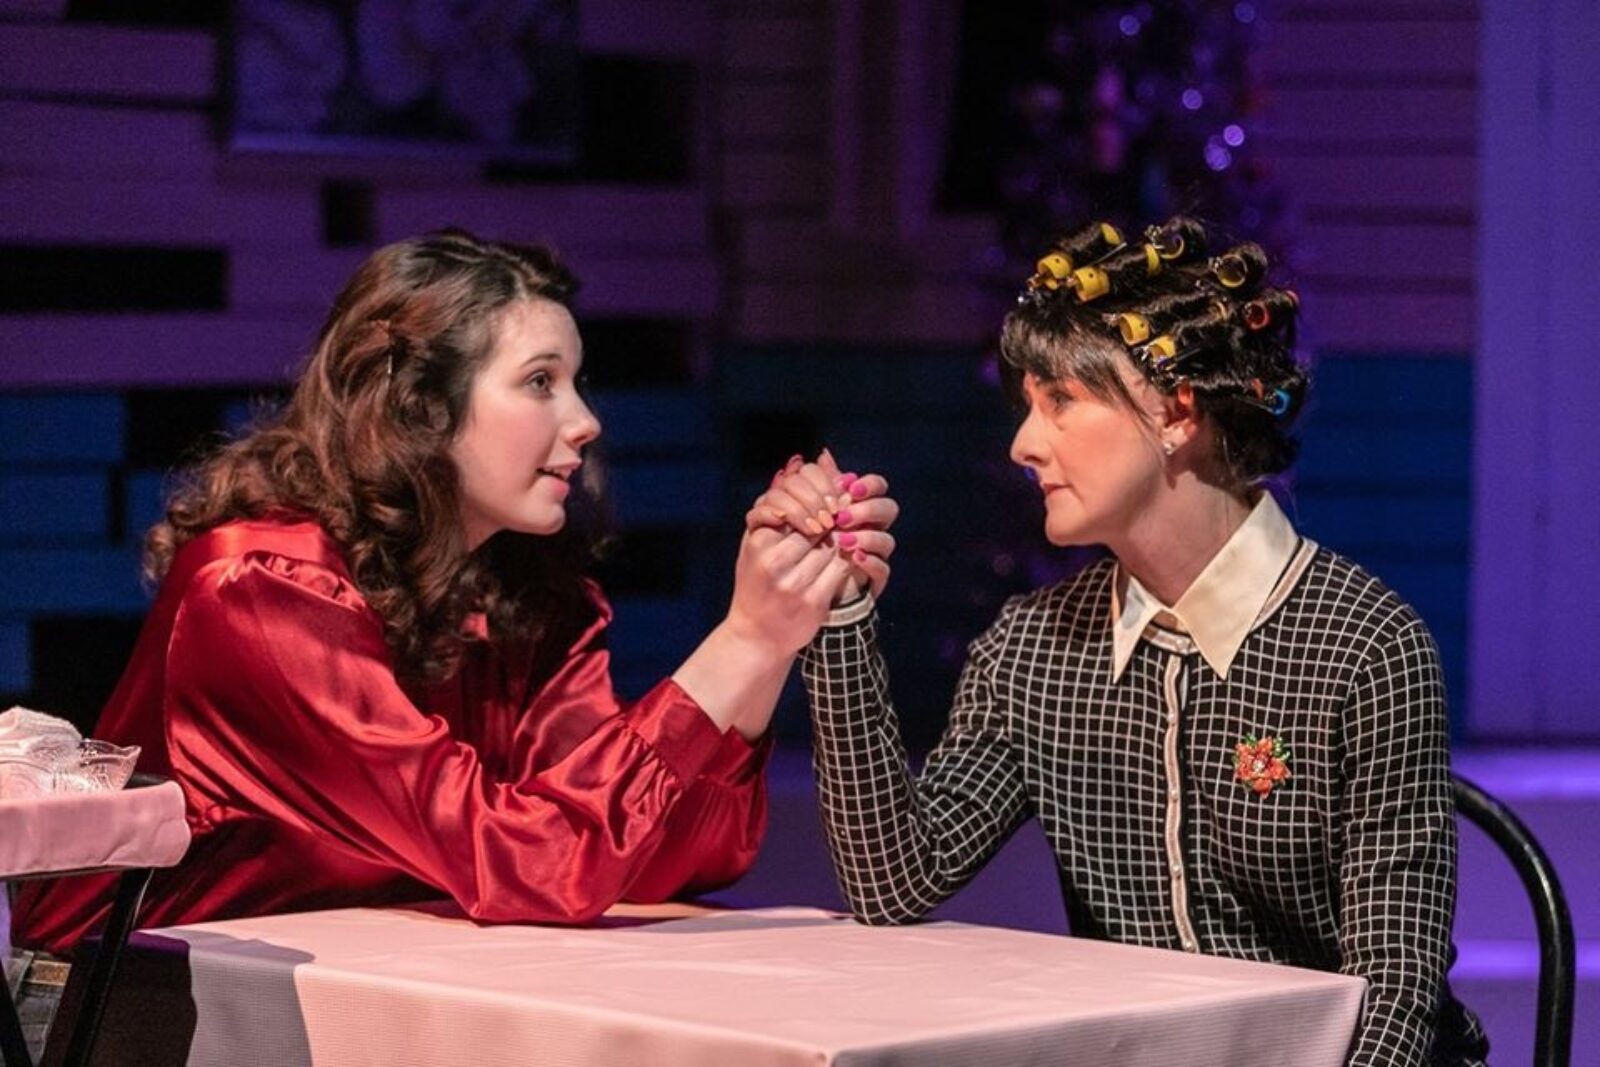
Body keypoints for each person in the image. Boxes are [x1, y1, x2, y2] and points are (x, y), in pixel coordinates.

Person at [11, 230, 867, 971]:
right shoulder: (261, 594)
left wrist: (774, 634)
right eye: (540, 381)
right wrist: (744, 640)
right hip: (132, 1012)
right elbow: (529, 861)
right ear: (422, 407)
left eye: (576, 381)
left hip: (369, 994)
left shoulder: (524, 597)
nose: (585, 418)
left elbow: (665, 857)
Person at [773, 218, 1488, 1067]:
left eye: (1061, 401)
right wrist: (843, 615)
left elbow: (1395, 986)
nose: (1023, 444)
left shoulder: (1363, 644)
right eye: (1026, 406)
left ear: (1175, 408)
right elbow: (895, 881)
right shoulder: (1035, 648)